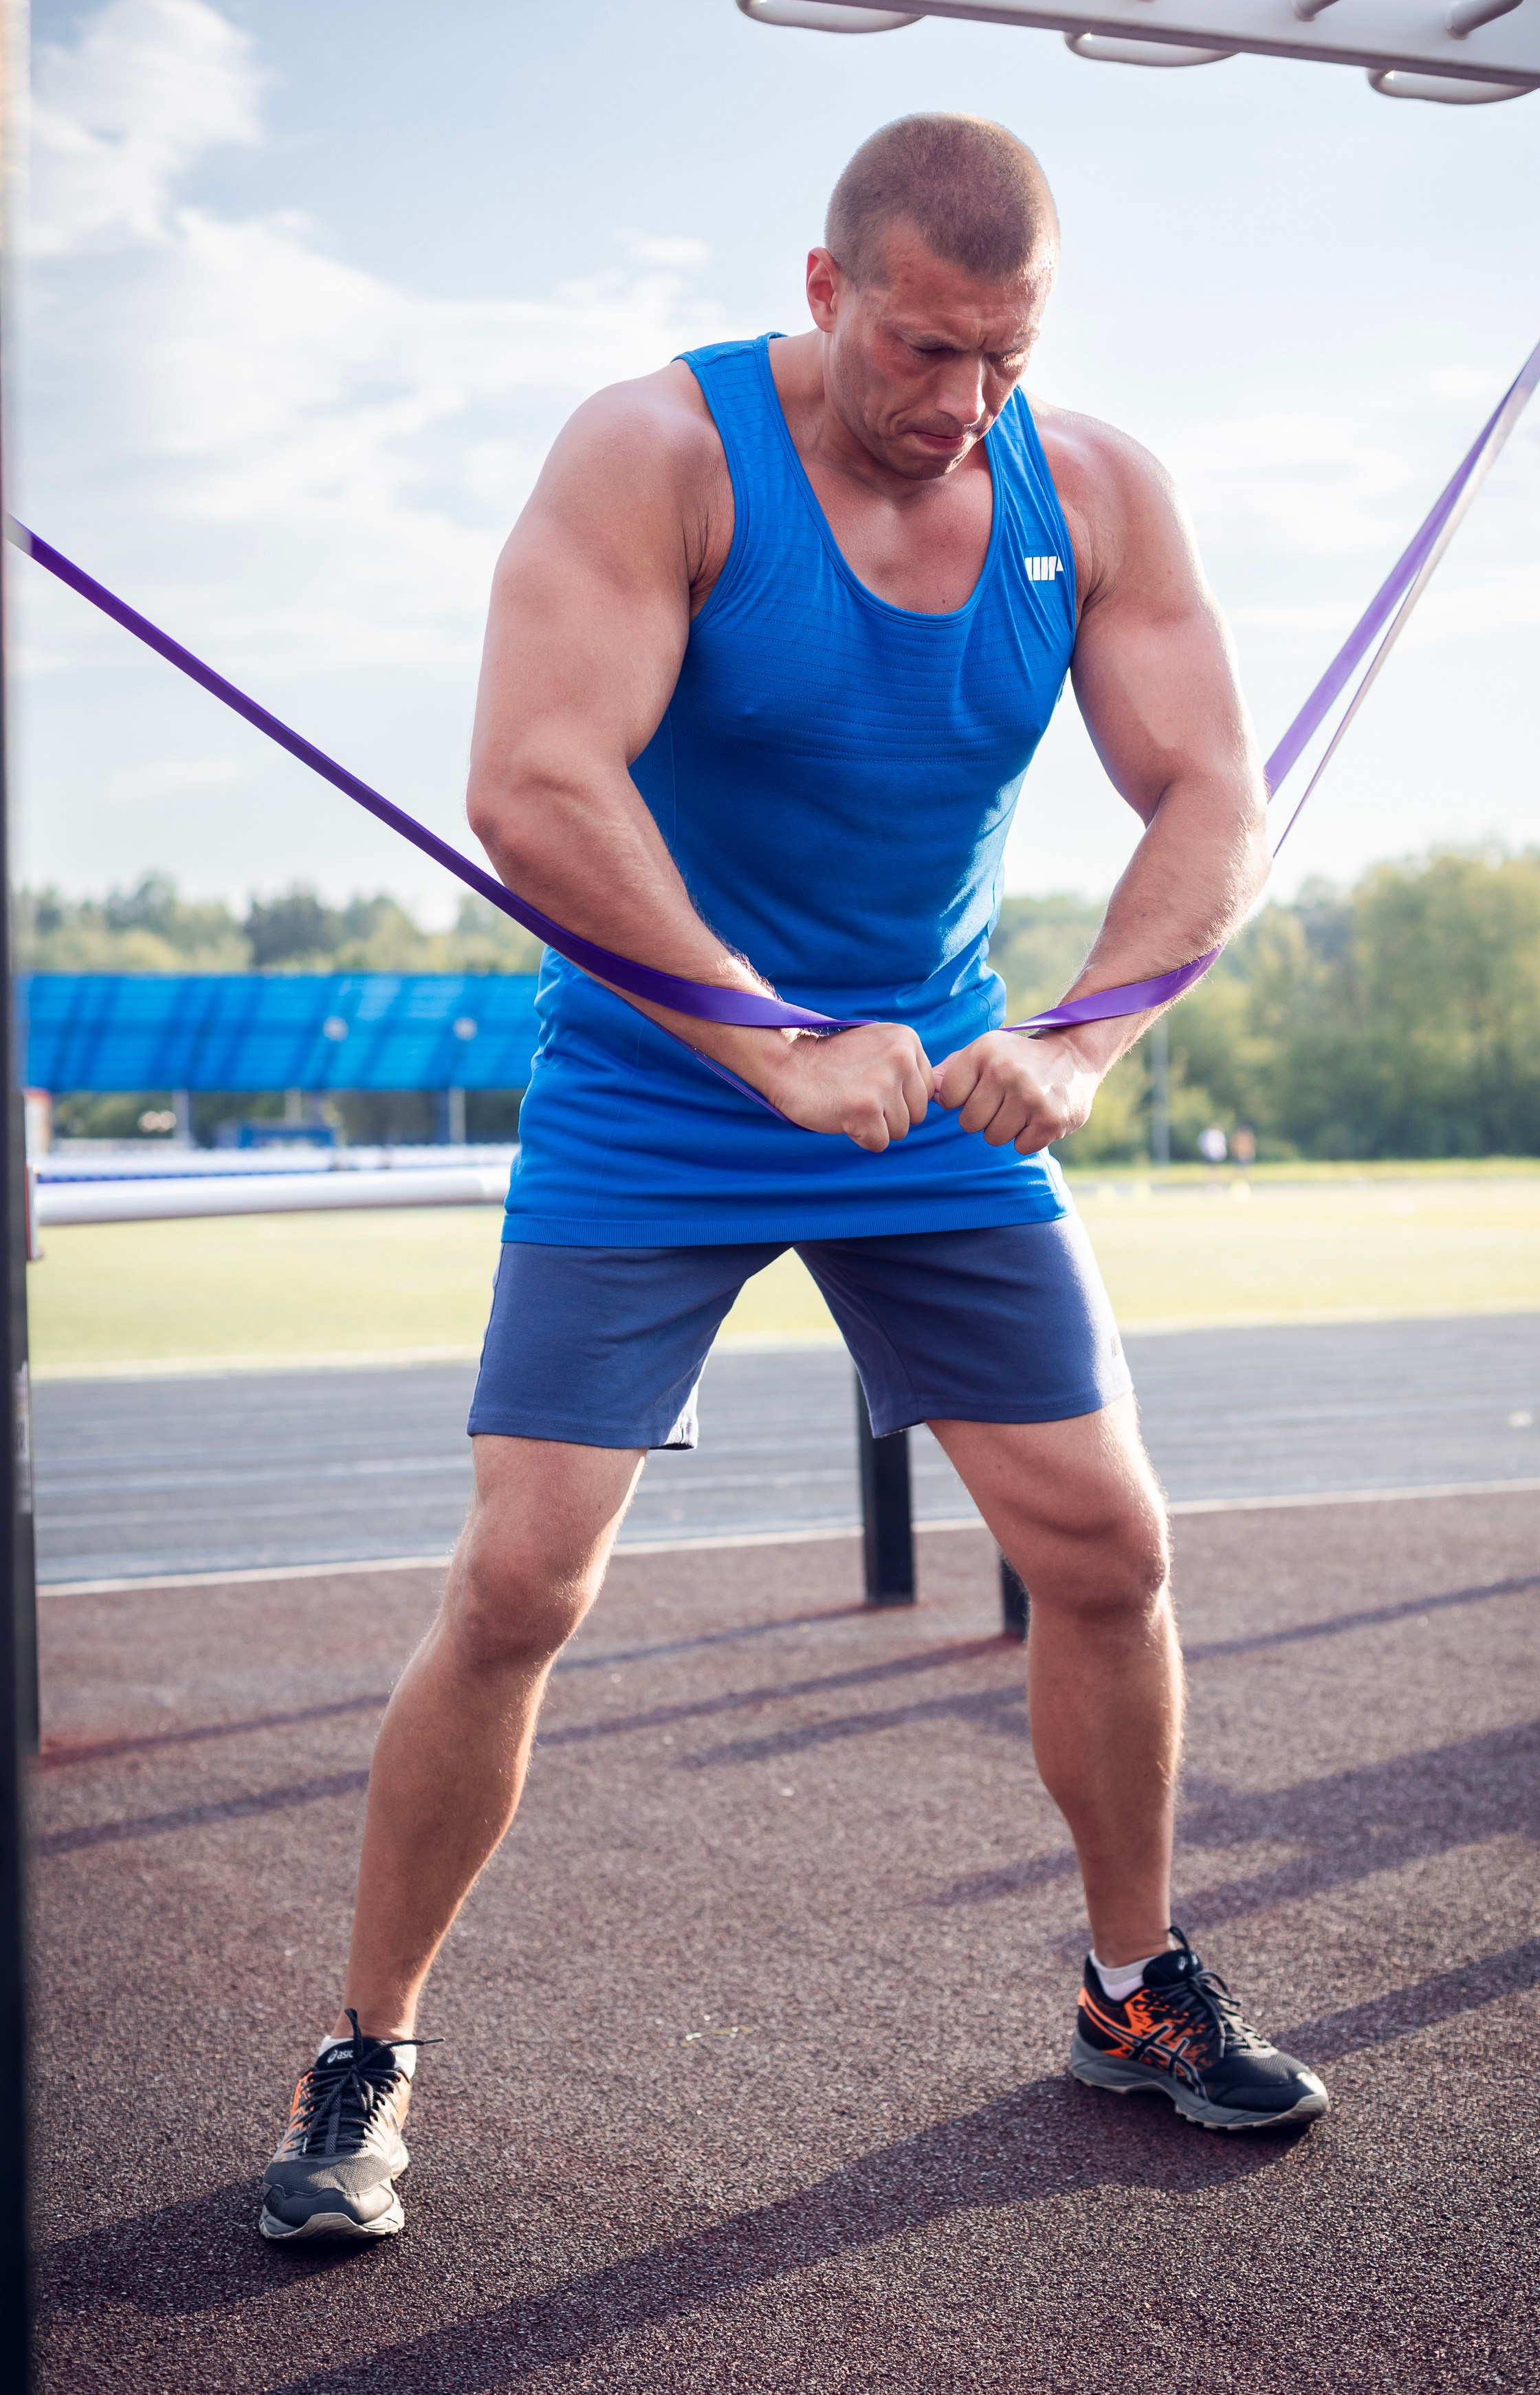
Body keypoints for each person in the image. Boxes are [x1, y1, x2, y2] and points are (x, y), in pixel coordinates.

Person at [260, 113, 1328, 2244]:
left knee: (1108, 1544)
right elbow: (533, 785)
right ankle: (366, 2050)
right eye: (925, 350)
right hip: (662, 1079)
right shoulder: (657, 453)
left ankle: (1131, 1986)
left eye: (1007, 359)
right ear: (826, 290)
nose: (965, 404)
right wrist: (762, 1035)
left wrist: (1082, 1037)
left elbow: (1218, 791)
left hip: (929, 1094)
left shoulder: (1092, 493)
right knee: (521, 1581)